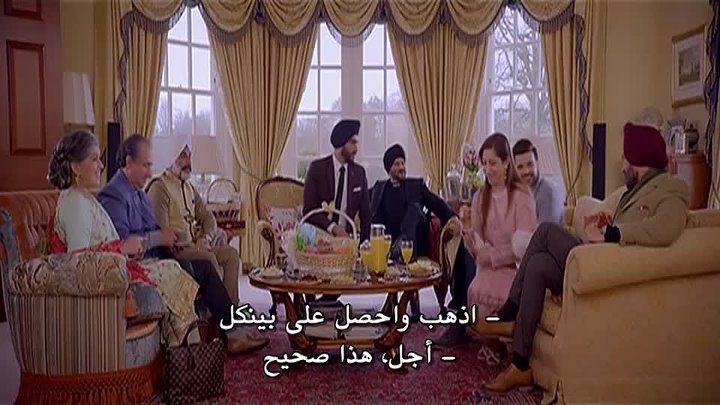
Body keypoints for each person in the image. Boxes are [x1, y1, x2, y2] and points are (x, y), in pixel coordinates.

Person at [473, 122, 690, 392]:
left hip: (609, 269)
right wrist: (602, 225)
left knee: (545, 231)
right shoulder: (633, 190)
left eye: (626, 158)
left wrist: (613, 233)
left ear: (638, 159)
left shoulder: (672, 187)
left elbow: (665, 229)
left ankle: (509, 311)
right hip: (597, 259)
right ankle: (520, 364)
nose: (622, 165)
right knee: (538, 264)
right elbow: (630, 225)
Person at [98, 133, 268, 353]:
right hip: (148, 264)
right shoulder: (119, 194)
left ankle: (232, 329)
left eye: (150, 165)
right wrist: (164, 239)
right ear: (129, 162)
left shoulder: (140, 192)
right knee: (198, 263)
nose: (149, 172)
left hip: (165, 254)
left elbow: (170, 226)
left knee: (213, 263)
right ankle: (227, 334)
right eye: (145, 165)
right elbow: (122, 246)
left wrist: (198, 238)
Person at [461, 133, 538, 363]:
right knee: (476, 289)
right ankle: (494, 345)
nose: (487, 169)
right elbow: (476, 248)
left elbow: (524, 246)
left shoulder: (522, 196)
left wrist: (491, 256)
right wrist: (466, 229)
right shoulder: (480, 197)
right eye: (484, 163)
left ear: (506, 163)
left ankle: (511, 345)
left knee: (500, 293)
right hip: (488, 268)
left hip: (516, 269)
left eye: (493, 163)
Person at [146, 136, 240, 304]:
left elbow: (208, 217)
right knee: (208, 257)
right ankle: (220, 311)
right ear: (171, 157)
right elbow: (161, 230)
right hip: (177, 250)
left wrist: (206, 238)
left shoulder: (189, 187)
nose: (188, 161)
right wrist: (193, 246)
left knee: (231, 255)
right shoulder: (160, 187)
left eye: (189, 155)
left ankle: (231, 308)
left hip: (196, 245)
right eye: (183, 155)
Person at [371, 144, 461, 258]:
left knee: (414, 209)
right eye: (397, 164)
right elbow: (365, 206)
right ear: (389, 169)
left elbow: (435, 202)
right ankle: (395, 250)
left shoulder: (415, 186)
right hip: (388, 243)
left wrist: (452, 217)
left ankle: (402, 244)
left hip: (415, 243)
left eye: (403, 163)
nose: (402, 167)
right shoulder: (379, 188)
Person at [303, 119, 371, 241]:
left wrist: (364, 246)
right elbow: (309, 211)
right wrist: (333, 227)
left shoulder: (359, 173)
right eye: (353, 142)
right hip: (319, 238)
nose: (356, 148)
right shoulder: (317, 169)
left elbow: (366, 215)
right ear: (341, 142)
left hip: (347, 242)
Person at [512, 139, 564, 224]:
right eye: (520, 167)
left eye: (530, 164)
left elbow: (545, 232)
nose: (526, 171)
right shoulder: (522, 192)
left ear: (537, 162)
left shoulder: (547, 193)